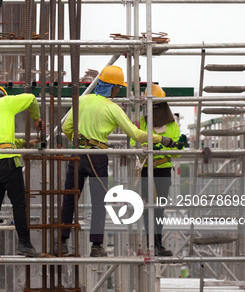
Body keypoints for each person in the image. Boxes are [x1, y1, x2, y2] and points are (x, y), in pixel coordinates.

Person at [58, 65, 176, 257]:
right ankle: (96, 247)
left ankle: (62, 242)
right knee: (99, 203)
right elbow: (136, 135)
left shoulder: (81, 101)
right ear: (112, 88)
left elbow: (67, 127)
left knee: (69, 199)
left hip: (77, 153)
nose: (117, 91)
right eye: (117, 88)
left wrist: (77, 141)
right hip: (97, 157)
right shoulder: (112, 109)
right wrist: (161, 139)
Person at [0, 85, 43, 258]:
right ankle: (24, 243)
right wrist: (36, 120)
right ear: (2, 95)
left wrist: (25, 143)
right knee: (18, 204)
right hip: (8, 161)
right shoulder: (5, 102)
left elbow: (0, 139)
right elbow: (31, 98)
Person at [139, 83, 182, 257]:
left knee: (158, 209)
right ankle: (151, 245)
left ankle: (157, 245)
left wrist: (158, 150)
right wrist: (160, 147)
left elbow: (177, 151)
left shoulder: (172, 125)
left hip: (162, 170)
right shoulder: (142, 122)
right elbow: (138, 144)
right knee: (148, 207)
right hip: (146, 169)